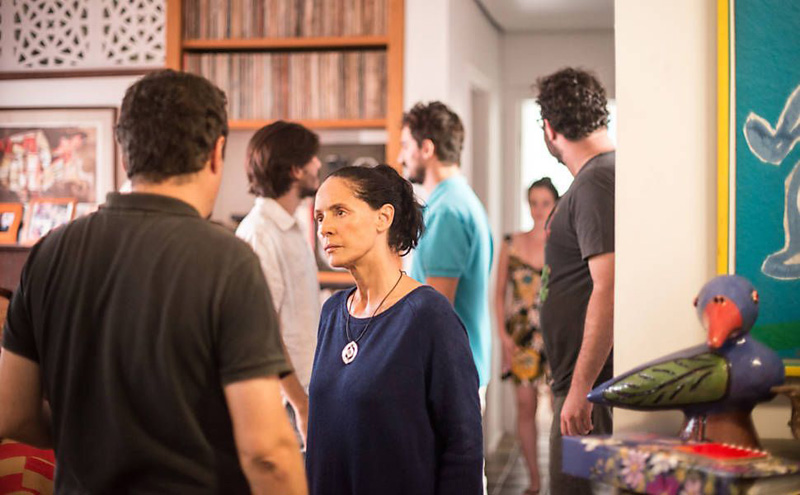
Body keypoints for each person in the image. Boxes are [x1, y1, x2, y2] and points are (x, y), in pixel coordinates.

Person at [0, 70, 307, 494]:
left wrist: (89, 437)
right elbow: (267, 453)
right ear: (217, 153)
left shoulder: (48, 253)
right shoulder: (229, 262)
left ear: (125, 153)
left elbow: (13, 413)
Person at [307, 165, 483, 494]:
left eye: (340, 212)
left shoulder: (429, 317)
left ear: (383, 217)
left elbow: (464, 447)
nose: (324, 228)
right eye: (320, 217)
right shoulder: (332, 312)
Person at [535, 67, 616, 495]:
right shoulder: (598, 177)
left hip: (590, 389)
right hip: (583, 384)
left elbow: (609, 286)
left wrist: (582, 389)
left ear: (550, 128)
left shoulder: (596, 180)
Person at [398, 101, 494, 404]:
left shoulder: (447, 211)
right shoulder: (460, 200)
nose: (401, 157)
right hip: (461, 367)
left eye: (406, 145)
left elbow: (435, 311)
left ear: (426, 148)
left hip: (449, 375)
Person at [236, 121, 322, 445]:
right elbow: (263, 329)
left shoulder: (293, 226)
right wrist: (301, 404)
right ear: (295, 170)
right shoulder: (259, 233)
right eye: (312, 158)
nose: (318, 164)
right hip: (286, 404)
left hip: (305, 392)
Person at [494, 177, 559, 495]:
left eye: (545, 203)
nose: (538, 209)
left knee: (561, 409)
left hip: (556, 335)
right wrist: (503, 337)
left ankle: (562, 480)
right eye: (533, 203)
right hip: (521, 337)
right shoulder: (511, 243)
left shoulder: (563, 244)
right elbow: (498, 295)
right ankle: (535, 480)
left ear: (555, 204)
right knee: (524, 405)